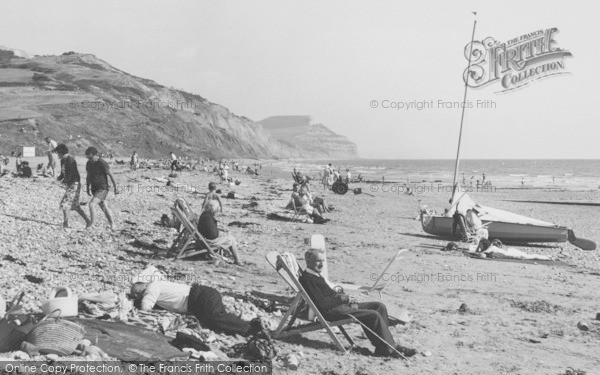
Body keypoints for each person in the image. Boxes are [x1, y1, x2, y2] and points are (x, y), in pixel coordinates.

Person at [299, 248, 416, 358]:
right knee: (373, 315)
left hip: (340, 306)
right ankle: (391, 349)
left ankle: (384, 346)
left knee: (379, 306)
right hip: (333, 312)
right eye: (318, 261)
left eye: (322, 261)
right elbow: (322, 303)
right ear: (308, 261)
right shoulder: (308, 279)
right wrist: (343, 299)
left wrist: (345, 298)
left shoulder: (314, 275)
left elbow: (328, 296)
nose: (322, 265)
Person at [129, 281, 266, 337]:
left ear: (141, 289)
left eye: (137, 293)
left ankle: (251, 329)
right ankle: (249, 325)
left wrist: (135, 302)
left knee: (216, 319)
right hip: (201, 296)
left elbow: (145, 308)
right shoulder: (158, 284)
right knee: (216, 320)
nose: (137, 296)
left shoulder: (152, 287)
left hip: (200, 298)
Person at [54, 144, 91, 228]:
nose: (57, 155)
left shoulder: (70, 160)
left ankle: (65, 224)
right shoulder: (63, 160)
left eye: (58, 153)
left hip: (74, 184)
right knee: (75, 206)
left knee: (64, 204)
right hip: (70, 184)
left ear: (61, 152)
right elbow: (63, 173)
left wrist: (64, 181)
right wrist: (58, 179)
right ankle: (88, 221)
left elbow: (72, 174)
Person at [85, 147, 118, 230]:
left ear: (93, 154)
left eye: (88, 156)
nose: (87, 158)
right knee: (104, 207)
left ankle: (92, 225)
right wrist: (87, 187)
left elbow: (111, 175)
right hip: (94, 188)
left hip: (103, 188)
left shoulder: (102, 162)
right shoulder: (89, 163)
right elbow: (88, 176)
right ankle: (113, 224)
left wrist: (115, 187)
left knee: (92, 204)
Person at [197, 200, 240, 264]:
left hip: (203, 238)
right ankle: (237, 260)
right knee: (231, 239)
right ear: (213, 208)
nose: (217, 211)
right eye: (216, 209)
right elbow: (213, 235)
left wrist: (220, 229)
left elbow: (209, 229)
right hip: (209, 241)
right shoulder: (208, 217)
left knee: (228, 236)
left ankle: (236, 259)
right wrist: (219, 233)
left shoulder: (204, 215)